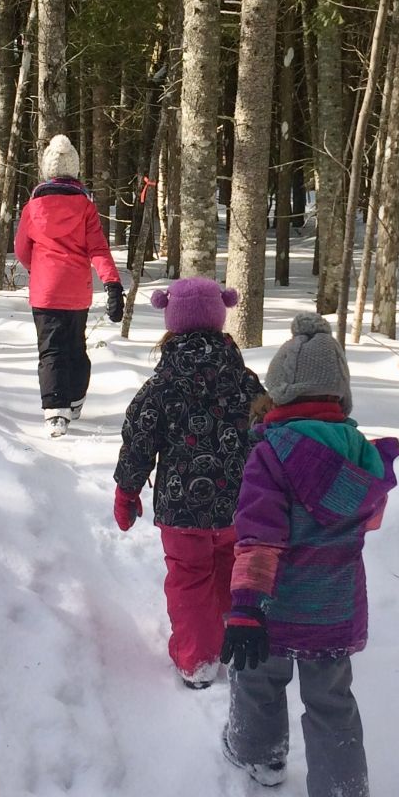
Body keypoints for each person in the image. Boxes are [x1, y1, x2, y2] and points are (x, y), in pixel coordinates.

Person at [219, 312, 399, 797]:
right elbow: (367, 520)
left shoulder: (270, 454)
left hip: (275, 606)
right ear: (340, 395)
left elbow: (257, 538)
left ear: (278, 392)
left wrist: (246, 608)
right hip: (334, 606)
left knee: (257, 680)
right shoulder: (362, 453)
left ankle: (260, 754)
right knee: (331, 701)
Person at [112, 277, 267, 690]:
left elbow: (138, 439)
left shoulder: (162, 386)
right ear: (219, 320)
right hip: (240, 506)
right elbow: (267, 432)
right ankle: (238, 646)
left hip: (182, 511)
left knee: (188, 578)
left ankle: (198, 659)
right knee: (233, 572)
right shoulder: (246, 381)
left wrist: (127, 489)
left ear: (171, 323)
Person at [14, 134, 125, 436]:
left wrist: (38, 269)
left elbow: (22, 250)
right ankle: (75, 399)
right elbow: (99, 250)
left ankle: (54, 411)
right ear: (74, 172)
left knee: (51, 351)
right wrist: (112, 284)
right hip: (76, 293)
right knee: (76, 346)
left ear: (47, 171)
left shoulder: (32, 208)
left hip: (45, 292)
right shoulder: (85, 208)